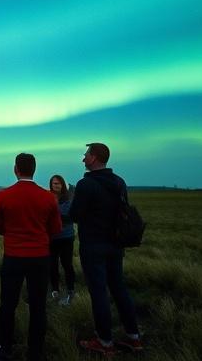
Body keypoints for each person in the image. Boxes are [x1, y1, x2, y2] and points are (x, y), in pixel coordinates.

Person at [70, 143, 143, 355]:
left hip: (93, 245)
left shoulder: (85, 184)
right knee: (119, 289)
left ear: (93, 158)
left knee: (99, 293)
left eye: (85, 155)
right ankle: (134, 338)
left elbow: (75, 215)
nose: (83, 159)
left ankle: (104, 342)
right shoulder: (119, 182)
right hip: (116, 244)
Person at [0, 153, 61, 361]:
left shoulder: (4, 195)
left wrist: (12, 233)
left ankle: (4, 347)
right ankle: (35, 351)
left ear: (15, 169)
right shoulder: (48, 197)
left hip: (13, 256)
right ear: (34, 169)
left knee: (8, 303)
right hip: (40, 257)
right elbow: (55, 228)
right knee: (38, 305)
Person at [48, 174, 76, 306]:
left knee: (67, 264)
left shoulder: (68, 198)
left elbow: (68, 216)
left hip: (66, 237)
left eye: (58, 183)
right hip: (52, 237)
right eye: (54, 183)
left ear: (62, 184)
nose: (56, 185)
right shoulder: (48, 197)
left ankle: (71, 290)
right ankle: (55, 290)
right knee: (52, 264)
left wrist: (54, 213)